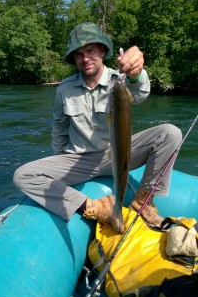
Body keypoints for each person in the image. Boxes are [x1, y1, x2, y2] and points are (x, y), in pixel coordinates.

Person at [13, 22, 182, 234]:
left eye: (90, 50)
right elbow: (59, 129)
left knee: (170, 133)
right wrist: (60, 162)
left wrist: (135, 74)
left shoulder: (119, 79)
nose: (85, 59)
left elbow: (140, 93)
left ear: (102, 50)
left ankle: (144, 201)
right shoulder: (64, 89)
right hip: (78, 160)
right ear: (74, 59)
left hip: (117, 154)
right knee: (22, 175)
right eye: (78, 54)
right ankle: (97, 209)